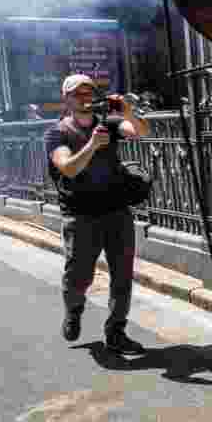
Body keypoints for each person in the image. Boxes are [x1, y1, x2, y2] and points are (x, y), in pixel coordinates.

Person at [46, 74, 150, 354]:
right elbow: (67, 167)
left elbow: (140, 132)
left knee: (122, 276)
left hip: (117, 212)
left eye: (88, 91)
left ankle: (116, 331)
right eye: (77, 93)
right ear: (66, 99)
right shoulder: (58, 132)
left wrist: (127, 110)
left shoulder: (110, 124)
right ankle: (74, 309)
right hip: (80, 217)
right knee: (79, 276)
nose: (84, 97)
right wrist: (92, 145)